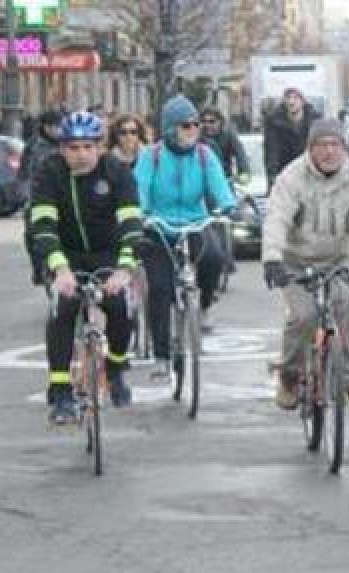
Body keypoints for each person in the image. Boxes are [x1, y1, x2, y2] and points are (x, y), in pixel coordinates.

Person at [27, 111, 143, 424]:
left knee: (121, 307)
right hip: (66, 253)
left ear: (99, 147)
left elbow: (132, 223)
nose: (81, 154)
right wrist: (59, 269)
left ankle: (116, 369)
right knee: (64, 308)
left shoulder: (116, 172)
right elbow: (43, 226)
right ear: (62, 148)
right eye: (74, 147)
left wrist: (124, 269)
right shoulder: (48, 172)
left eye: (88, 147)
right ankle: (60, 390)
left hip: (108, 252)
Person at [262, 118, 349, 408]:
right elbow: (276, 218)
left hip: (339, 260)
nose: (328, 152)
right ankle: (289, 375)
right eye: (321, 145)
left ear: (344, 148)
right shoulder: (291, 178)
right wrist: (273, 259)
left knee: (347, 305)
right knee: (303, 315)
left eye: (335, 145)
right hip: (295, 261)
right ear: (310, 149)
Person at [135, 94, 237, 385]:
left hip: (195, 223)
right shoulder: (150, 157)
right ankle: (163, 357)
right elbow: (139, 188)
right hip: (158, 229)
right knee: (160, 288)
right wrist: (142, 214)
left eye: (195, 125)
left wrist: (227, 206)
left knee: (215, 258)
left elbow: (218, 186)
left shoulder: (205, 156)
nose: (192, 130)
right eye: (185, 125)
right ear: (169, 129)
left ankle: (203, 306)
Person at [264, 88, 317, 188]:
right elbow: (271, 154)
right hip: (285, 176)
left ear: (302, 101)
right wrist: (272, 181)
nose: (291, 102)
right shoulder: (274, 123)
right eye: (288, 98)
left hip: (309, 176)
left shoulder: (315, 122)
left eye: (295, 98)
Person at [199, 106, 252, 184]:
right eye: (204, 121)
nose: (207, 125)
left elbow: (240, 155)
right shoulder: (198, 137)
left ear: (220, 121)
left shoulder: (228, 136)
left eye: (212, 121)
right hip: (203, 181)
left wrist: (244, 172)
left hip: (225, 179)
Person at [20, 109, 63, 188]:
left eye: (60, 126)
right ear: (47, 127)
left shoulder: (64, 143)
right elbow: (25, 173)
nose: (59, 130)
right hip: (40, 191)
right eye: (56, 126)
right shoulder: (34, 145)